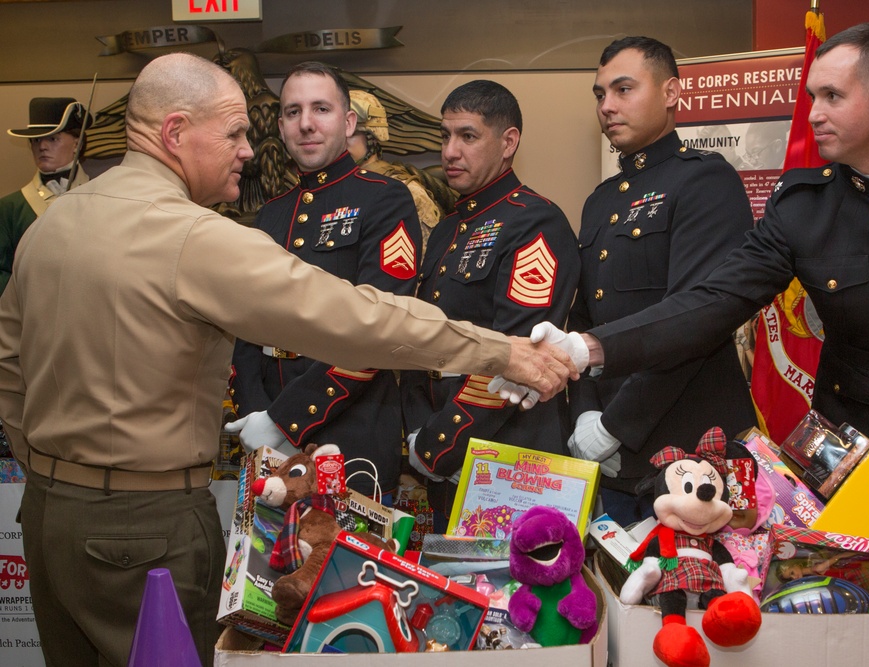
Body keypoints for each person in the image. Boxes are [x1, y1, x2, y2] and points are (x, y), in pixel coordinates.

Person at [0, 53, 576, 667]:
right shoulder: (190, 234)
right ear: (174, 133)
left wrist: (51, 472)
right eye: (235, 133)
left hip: (47, 517)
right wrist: (500, 350)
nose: (249, 151)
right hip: (144, 528)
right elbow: (355, 319)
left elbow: (10, 369)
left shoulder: (50, 226)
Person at [525, 23, 869, 667]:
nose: (814, 112)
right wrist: (589, 348)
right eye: (811, 96)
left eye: (832, 96)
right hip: (846, 459)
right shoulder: (803, 207)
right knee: (847, 629)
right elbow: (710, 302)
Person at [567, 36, 755, 525]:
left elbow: (694, 319)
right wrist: (586, 415)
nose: (607, 106)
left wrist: (615, 424)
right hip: (613, 459)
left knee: (695, 600)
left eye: (624, 89)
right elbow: (583, 318)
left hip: (692, 458)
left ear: (671, 92)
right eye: (599, 94)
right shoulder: (601, 201)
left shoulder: (705, 181)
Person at [228, 62, 422, 502]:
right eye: (293, 112)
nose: (307, 123)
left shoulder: (385, 200)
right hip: (267, 442)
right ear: (280, 127)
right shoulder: (271, 214)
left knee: (345, 571)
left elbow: (378, 326)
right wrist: (256, 412)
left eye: (321, 108)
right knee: (270, 569)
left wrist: (284, 419)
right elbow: (246, 325)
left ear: (348, 121)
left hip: (351, 437)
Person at [400, 80, 581, 532]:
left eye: (467, 136)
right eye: (444, 136)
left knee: (519, 599)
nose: (450, 152)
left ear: (508, 142)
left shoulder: (535, 221)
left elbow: (516, 356)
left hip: (509, 454)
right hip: (447, 452)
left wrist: (440, 443)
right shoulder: (449, 227)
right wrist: (421, 433)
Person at [0, 97, 90, 294]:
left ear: (77, 143)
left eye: (53, 139)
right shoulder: (11, 207)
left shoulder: (102, 198)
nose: (42, 147)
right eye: (36, 140)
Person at [346, 89, 445, 253]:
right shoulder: (336, 189)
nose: (341, 143)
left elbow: (424, 262)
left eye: (351, 134)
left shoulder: (407, 192)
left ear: (372, 137)